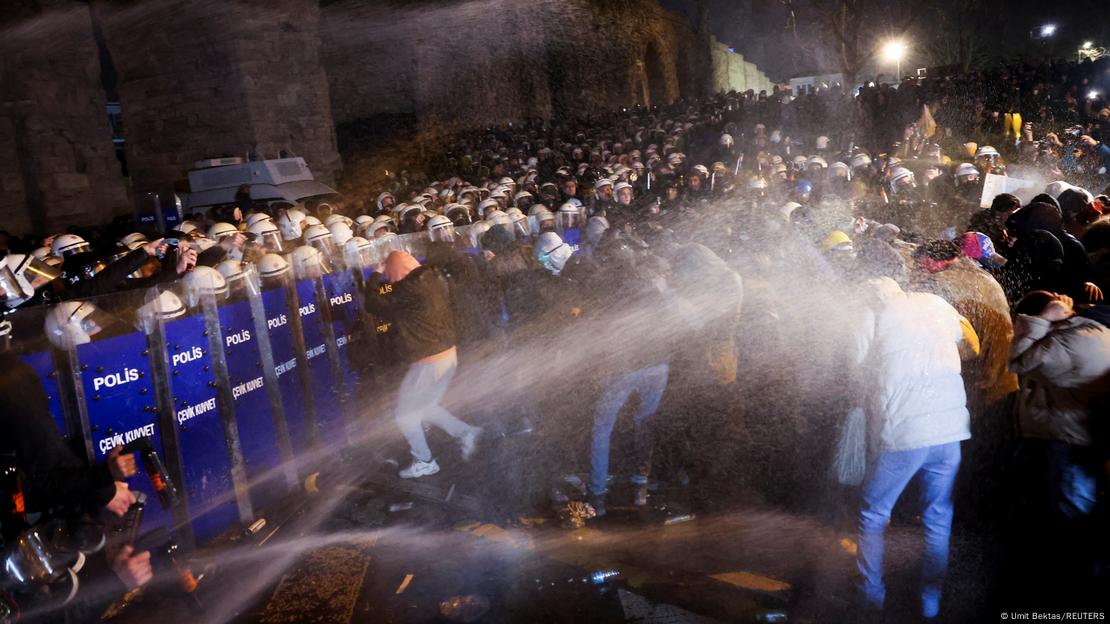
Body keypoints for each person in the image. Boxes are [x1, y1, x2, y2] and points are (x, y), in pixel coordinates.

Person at [851, 277, 980, 621]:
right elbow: (969, 344)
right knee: (938, 516)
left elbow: (855, 363)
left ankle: (870, 597)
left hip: (904, 432)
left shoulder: (872, 313)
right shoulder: (935, 304)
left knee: (873, 513)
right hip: (950, 429)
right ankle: (930, 603)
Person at [363, 251, 481, 478]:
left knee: (404, 415)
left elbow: (373, 304)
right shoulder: (433, 279)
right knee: (426, 407)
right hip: (448, 355)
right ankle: (465, 432)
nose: (390, 281)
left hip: (428, 361)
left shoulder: (409, 290)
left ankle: (424, 460)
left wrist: (375, 275)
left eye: (390, 275)